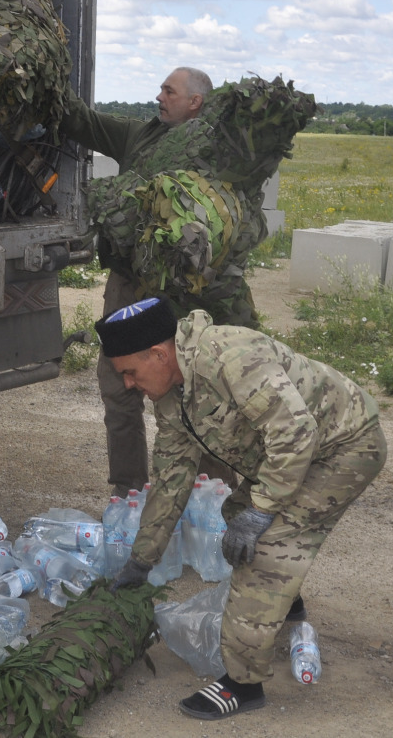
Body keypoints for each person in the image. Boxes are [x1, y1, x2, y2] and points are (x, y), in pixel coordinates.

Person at [97, 298, 386, 721]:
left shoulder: (231, 357)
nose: (127, 384)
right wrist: (141, 560)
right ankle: (286, 601)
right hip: (296, 453)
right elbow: (172, 481)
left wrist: (263, 511)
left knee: (264, 548)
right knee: (236, 513)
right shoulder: (171, 396)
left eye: (130, 372)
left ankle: (242, 684)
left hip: (344, 447)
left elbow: (295, 433)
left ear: (159, 355)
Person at [60, 67, 261, 497]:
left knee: (199, 389)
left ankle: (214, 495)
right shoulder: (140, 136)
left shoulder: (224, 152)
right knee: (119, 384)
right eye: (161, 89)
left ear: (196, 102)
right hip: (129, 284)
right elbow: (84, 122)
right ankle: (128, 489)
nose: (159, 97)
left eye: (169, 91)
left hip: (191, 294)